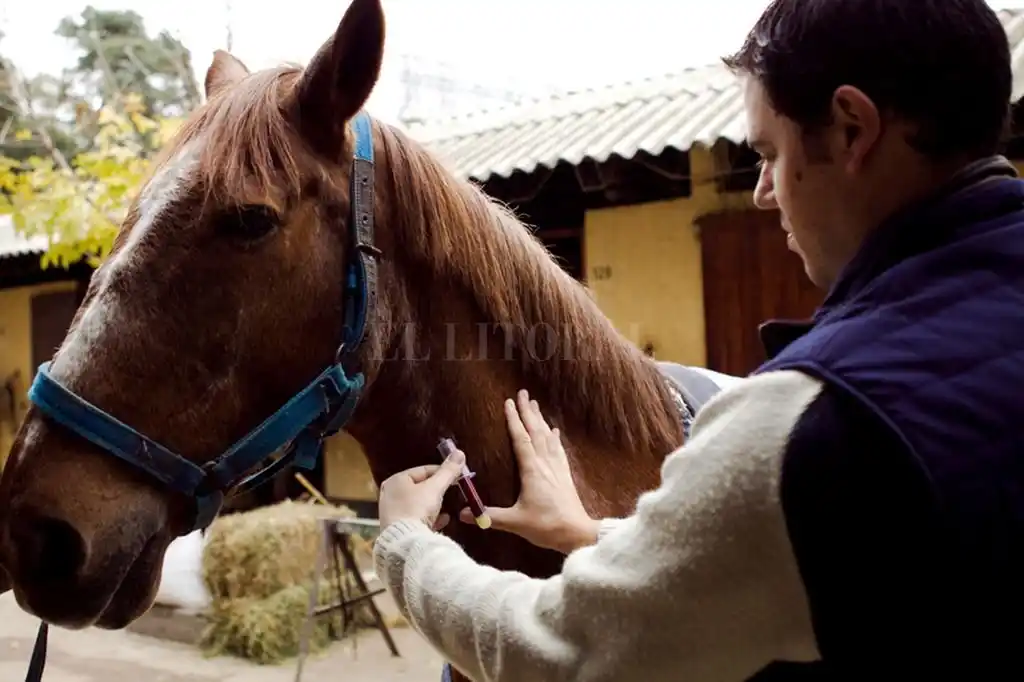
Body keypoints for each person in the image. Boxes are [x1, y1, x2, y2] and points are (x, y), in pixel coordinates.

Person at [372, 0, 1024, 679]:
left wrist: (406, 545)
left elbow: (566, 654)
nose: (765, 193)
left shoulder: (815, 425)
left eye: (770, 153)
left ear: (853, 128)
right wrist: (592, 535)